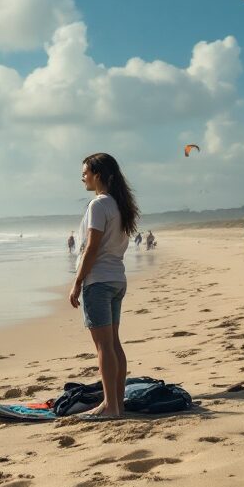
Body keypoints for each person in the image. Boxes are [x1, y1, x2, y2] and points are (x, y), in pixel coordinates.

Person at [70, 152, 139, 418]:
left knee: (104, 347)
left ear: (98, 174)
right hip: (116, 279)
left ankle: (111, 406)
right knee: (113, 345)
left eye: (85, 172)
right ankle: (116, 403)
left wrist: (77, 282)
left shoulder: (98, 205)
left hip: (98, 281)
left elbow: (92, 247)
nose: (82, 177)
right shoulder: (120, 205)